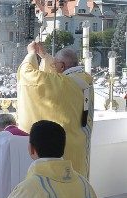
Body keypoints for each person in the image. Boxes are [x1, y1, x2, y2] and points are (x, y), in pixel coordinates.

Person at [17, 42, 94, 178]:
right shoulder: (85, 79)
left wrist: (31, 54)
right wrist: (44, 56)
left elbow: (28, 75)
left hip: (62, 147)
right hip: (80, 144)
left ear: (62, 66)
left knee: (58, 187)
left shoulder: (63, 83)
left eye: (55, 64)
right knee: (76, 184)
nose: (53, 67)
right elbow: (56, 76)